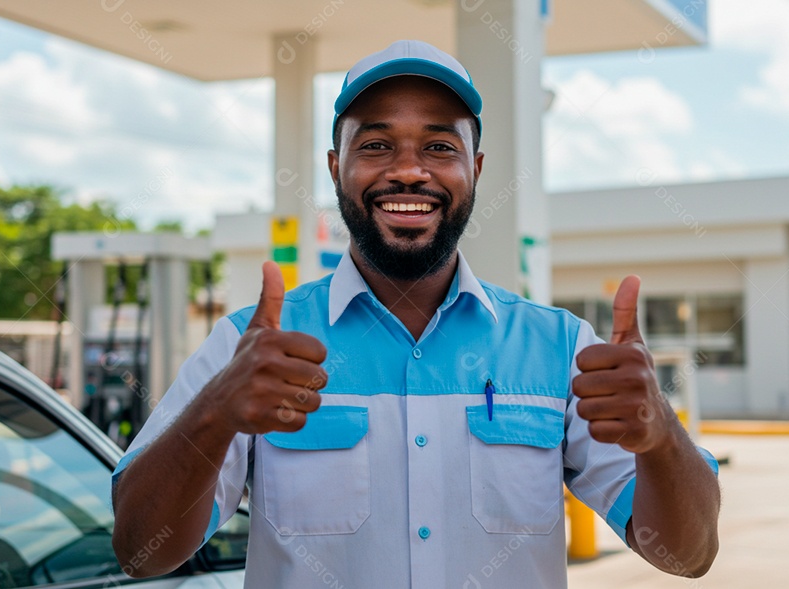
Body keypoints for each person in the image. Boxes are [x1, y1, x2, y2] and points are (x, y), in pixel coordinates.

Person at [112, 40, 720, 588]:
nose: (408, 170)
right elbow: (141, 552)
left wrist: (660, 434)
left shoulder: (562, 349)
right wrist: (215, 414)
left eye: (439, 146)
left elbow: (687, 557)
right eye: (376, 145)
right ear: (335, 168)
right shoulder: (249, 348)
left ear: (475, 170)